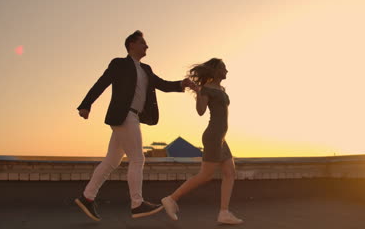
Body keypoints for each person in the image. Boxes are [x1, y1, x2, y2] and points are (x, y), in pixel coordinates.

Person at [74, 30, 196, 221]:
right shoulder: (119, 64)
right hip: (125, 116)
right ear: (132, 45)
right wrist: (85, 105)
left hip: (133, 117)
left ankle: (87, 197)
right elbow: (102, 83)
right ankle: (137, 204)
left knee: (112, 161)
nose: (146, 46)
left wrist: (182, 84)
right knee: (137, 159)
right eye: (143, 43)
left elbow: (162, 84)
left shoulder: (146, 69)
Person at [161, 58, 243, 225]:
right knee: (205, 175)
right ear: (216, 70)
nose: (227, 71)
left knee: (230, 172)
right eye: (224, 68)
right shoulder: (207, 89)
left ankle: (224, 212)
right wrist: (199, 92)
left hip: (221, 137)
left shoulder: (220, 88)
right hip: (213, 136)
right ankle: (171, 199)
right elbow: (200, 111)